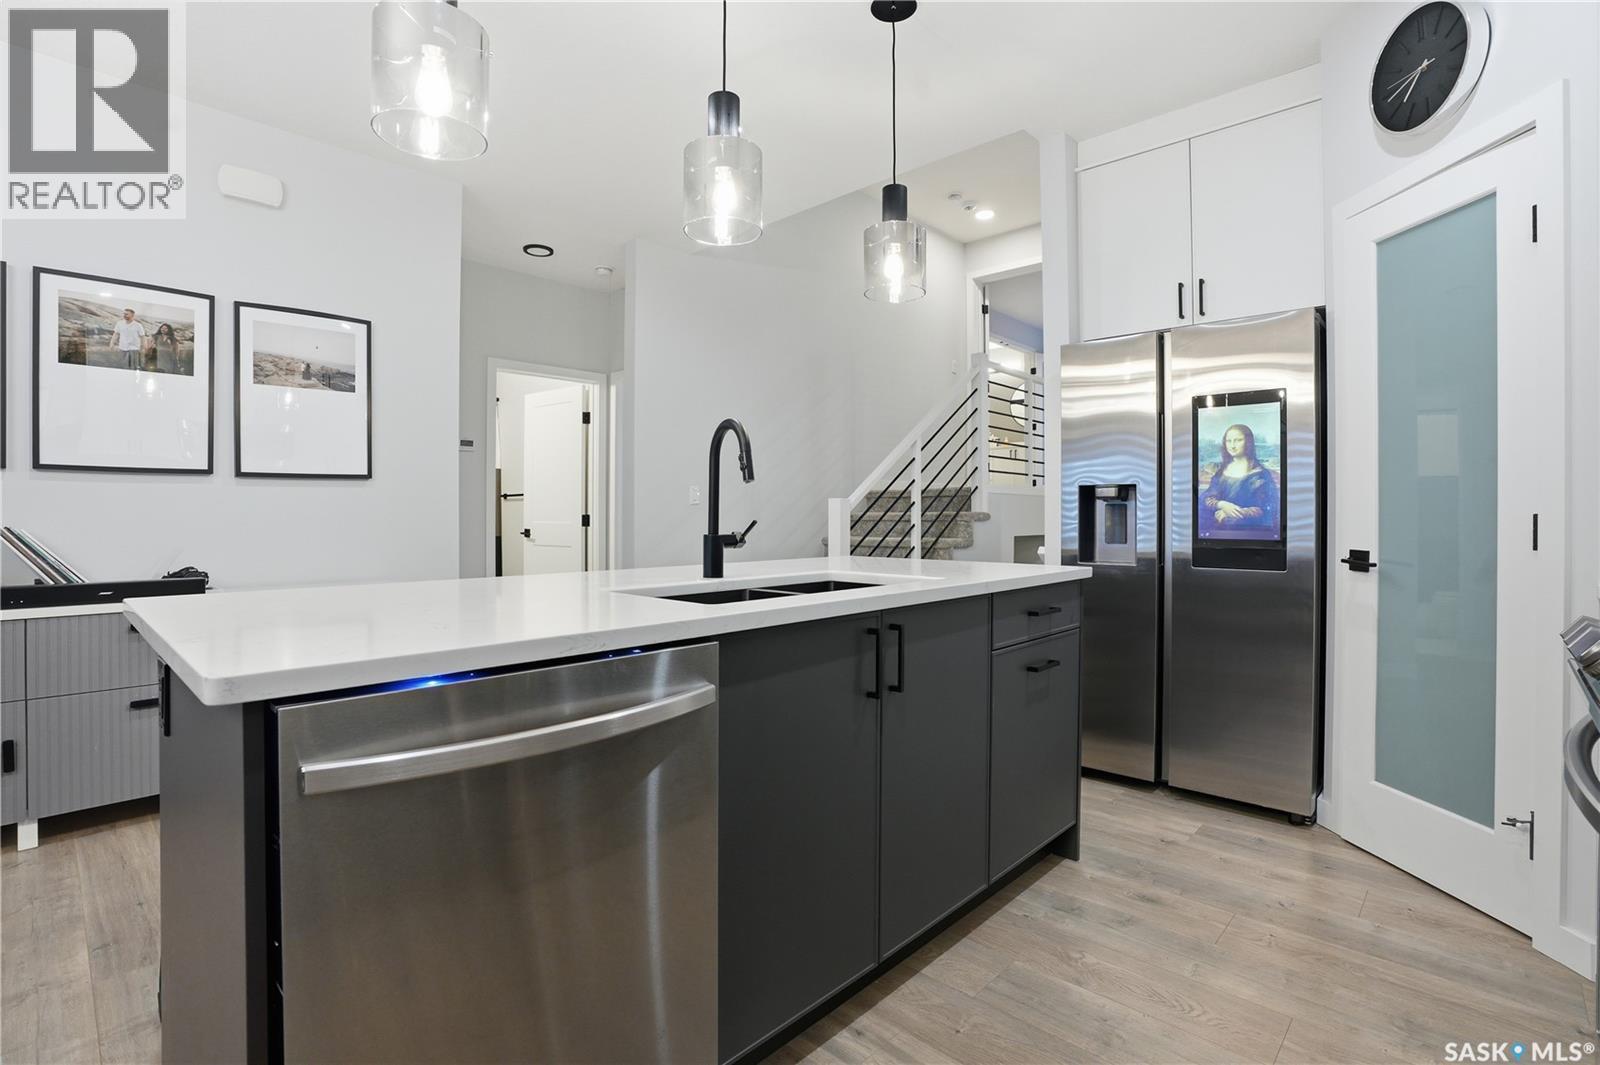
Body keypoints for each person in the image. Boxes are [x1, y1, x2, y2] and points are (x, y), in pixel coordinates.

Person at [1200, 423, 1279, 537]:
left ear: (1248, 442)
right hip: (1219, 533)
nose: (1232, 446)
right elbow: (1207, 497)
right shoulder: (1221, 471)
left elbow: (1267, 509)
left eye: (1238, 440)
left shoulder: (1261, 475)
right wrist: (1222, 504)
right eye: (1229, 441)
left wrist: (1234, 513)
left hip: (1250, 534)